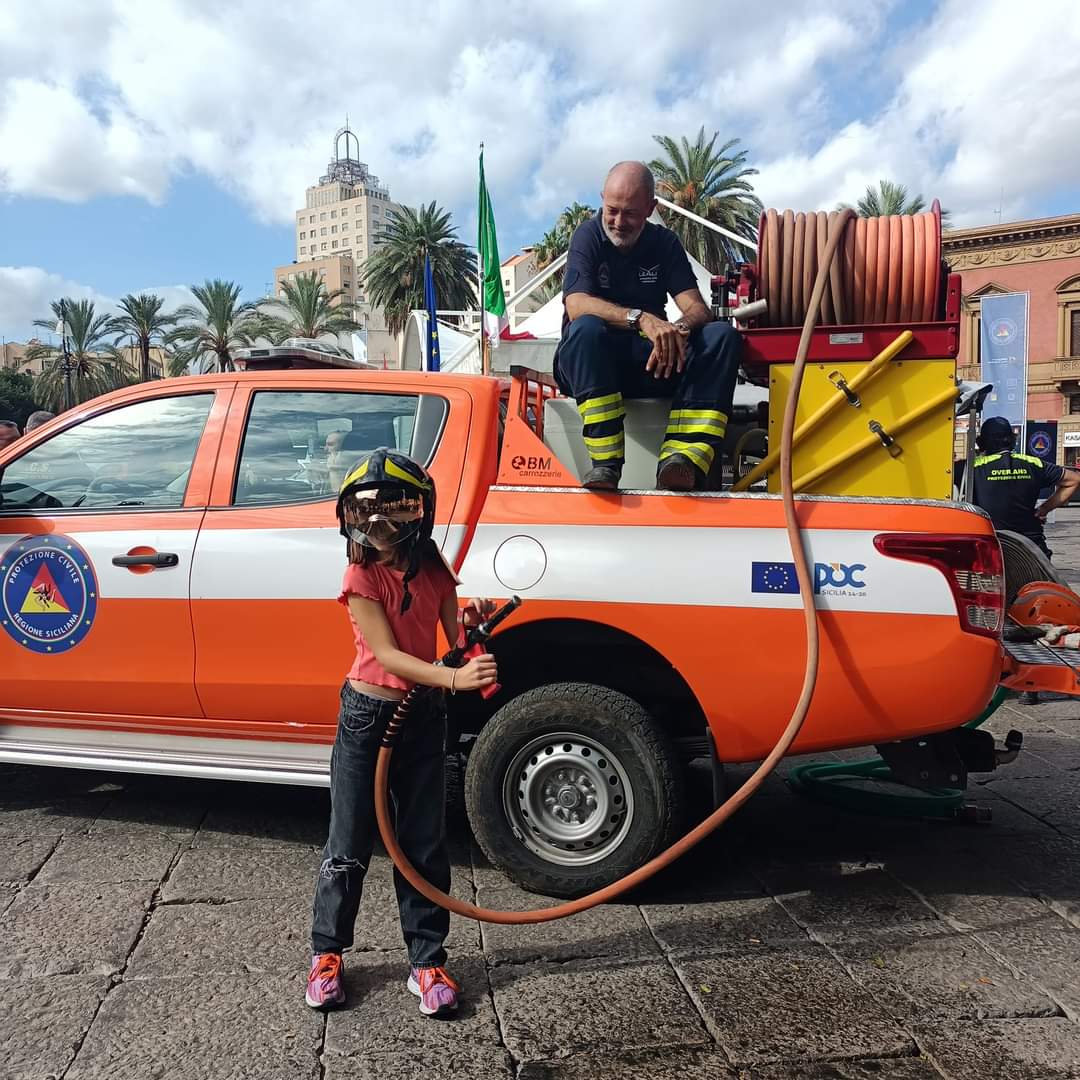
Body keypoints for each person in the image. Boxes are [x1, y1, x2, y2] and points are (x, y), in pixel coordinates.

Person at [306, 447, 497, 1018]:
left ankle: (427, 960)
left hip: (422, 716)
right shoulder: (360, 576)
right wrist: (454, 678)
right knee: (349, 844)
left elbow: (449, 634)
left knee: (422, 842)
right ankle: (327, 954)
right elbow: (387, 654)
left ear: (421, 513)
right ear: (349, 518)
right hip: (368, 716)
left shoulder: (435, 568)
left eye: (397, 510)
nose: (380, 526)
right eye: (366, 513)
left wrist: (470, 625)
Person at [553, 160, 743, 491]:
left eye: (630, 213)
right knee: (585, 329)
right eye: (611, 210)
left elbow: (697, 309)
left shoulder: (665, 243)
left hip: (651, 363)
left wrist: (678, 331)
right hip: (592, 366)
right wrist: (641, 318)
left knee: (721, 336)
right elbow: (576, 303)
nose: (618, 221)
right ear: (602, 199)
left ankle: (681, 461)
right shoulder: (587, 235)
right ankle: (605, 466)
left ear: (651, 208)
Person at [971, 416, 1080, 558]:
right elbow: (1074, 480)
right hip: (1031, 546)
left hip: (991, 545)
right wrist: (1044, 509)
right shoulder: (1032, 463)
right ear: (1011, 439)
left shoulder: (972, 468)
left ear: (981, 442)